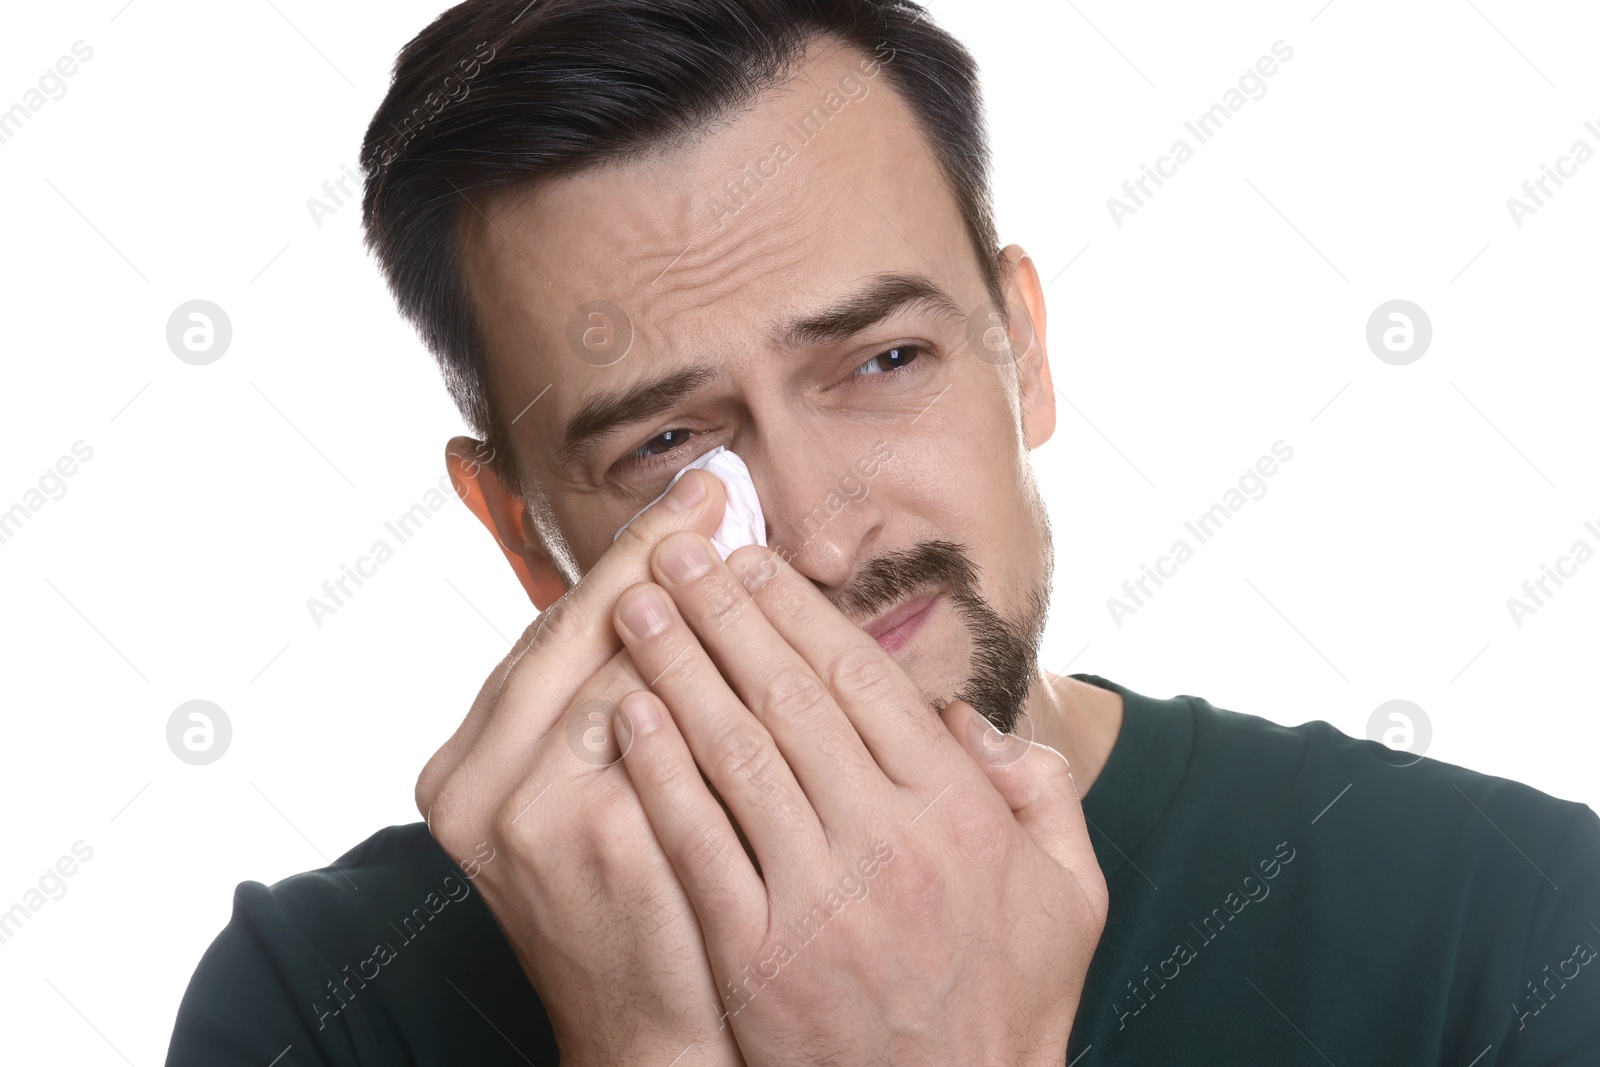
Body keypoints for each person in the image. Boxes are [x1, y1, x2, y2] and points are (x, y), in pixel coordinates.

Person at [166, 1, 1600, 1063]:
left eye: (883, 363)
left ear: (1022, 349)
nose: (828, 542)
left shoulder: (1508, 924)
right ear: (526, 536)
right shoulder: (323, 1004)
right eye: (669, 445)